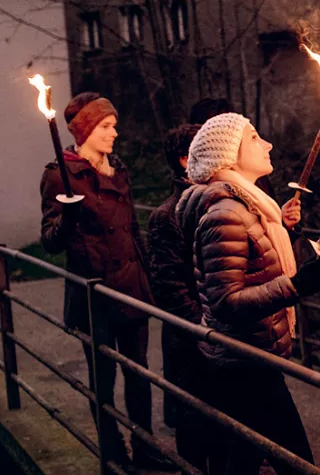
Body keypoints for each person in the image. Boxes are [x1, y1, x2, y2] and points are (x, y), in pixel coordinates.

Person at [176, 113, 320, 474]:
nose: (267, 144)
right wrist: (294, 286)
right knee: (298, 463)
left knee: (244, 458)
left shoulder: (252, 208)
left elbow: (256, 264)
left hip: (253, 356)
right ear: (229, 154)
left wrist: (289, 239)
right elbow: (226, 301)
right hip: (245, 362)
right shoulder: (226, 214)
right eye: (255, 138)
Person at [39, 92, 173, 471]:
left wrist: (151, 278)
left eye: (114, 125)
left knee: (139, 374)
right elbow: (50, 241)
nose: (115, 132)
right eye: (106, 126)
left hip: (131, 288)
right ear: (86, 130)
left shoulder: (119, 170)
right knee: (103, 378)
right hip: (93, 292)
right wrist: (66, 217)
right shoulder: (58, 175)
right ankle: (113, 452)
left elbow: (133, 230)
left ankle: (146, 448)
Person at [146, 123, 207, 469]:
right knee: (194, 432)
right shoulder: (166, 217)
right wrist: (206, 329)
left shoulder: (222, 203)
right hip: (192, 343)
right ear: (185, 160)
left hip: (218, 339)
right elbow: (169, 288)